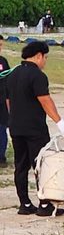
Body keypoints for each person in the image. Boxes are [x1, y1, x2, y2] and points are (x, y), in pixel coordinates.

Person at [7, 41, 64, 216]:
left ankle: (25, 204)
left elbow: (8, 102)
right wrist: (59, 121)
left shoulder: (12, 75)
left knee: (20, 166)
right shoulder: (38, 76)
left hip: (15, 127)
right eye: (45, 58)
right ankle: (44, 204)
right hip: (35, 128)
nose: (45, 62)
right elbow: (45, 100)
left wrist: (14, 118)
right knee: (41, 165)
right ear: (38, 56)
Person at [0, 35, 10, 168]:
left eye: (1, 45)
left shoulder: (3, 61)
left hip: (2, 102)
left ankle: (1, 156)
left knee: (2, 129)